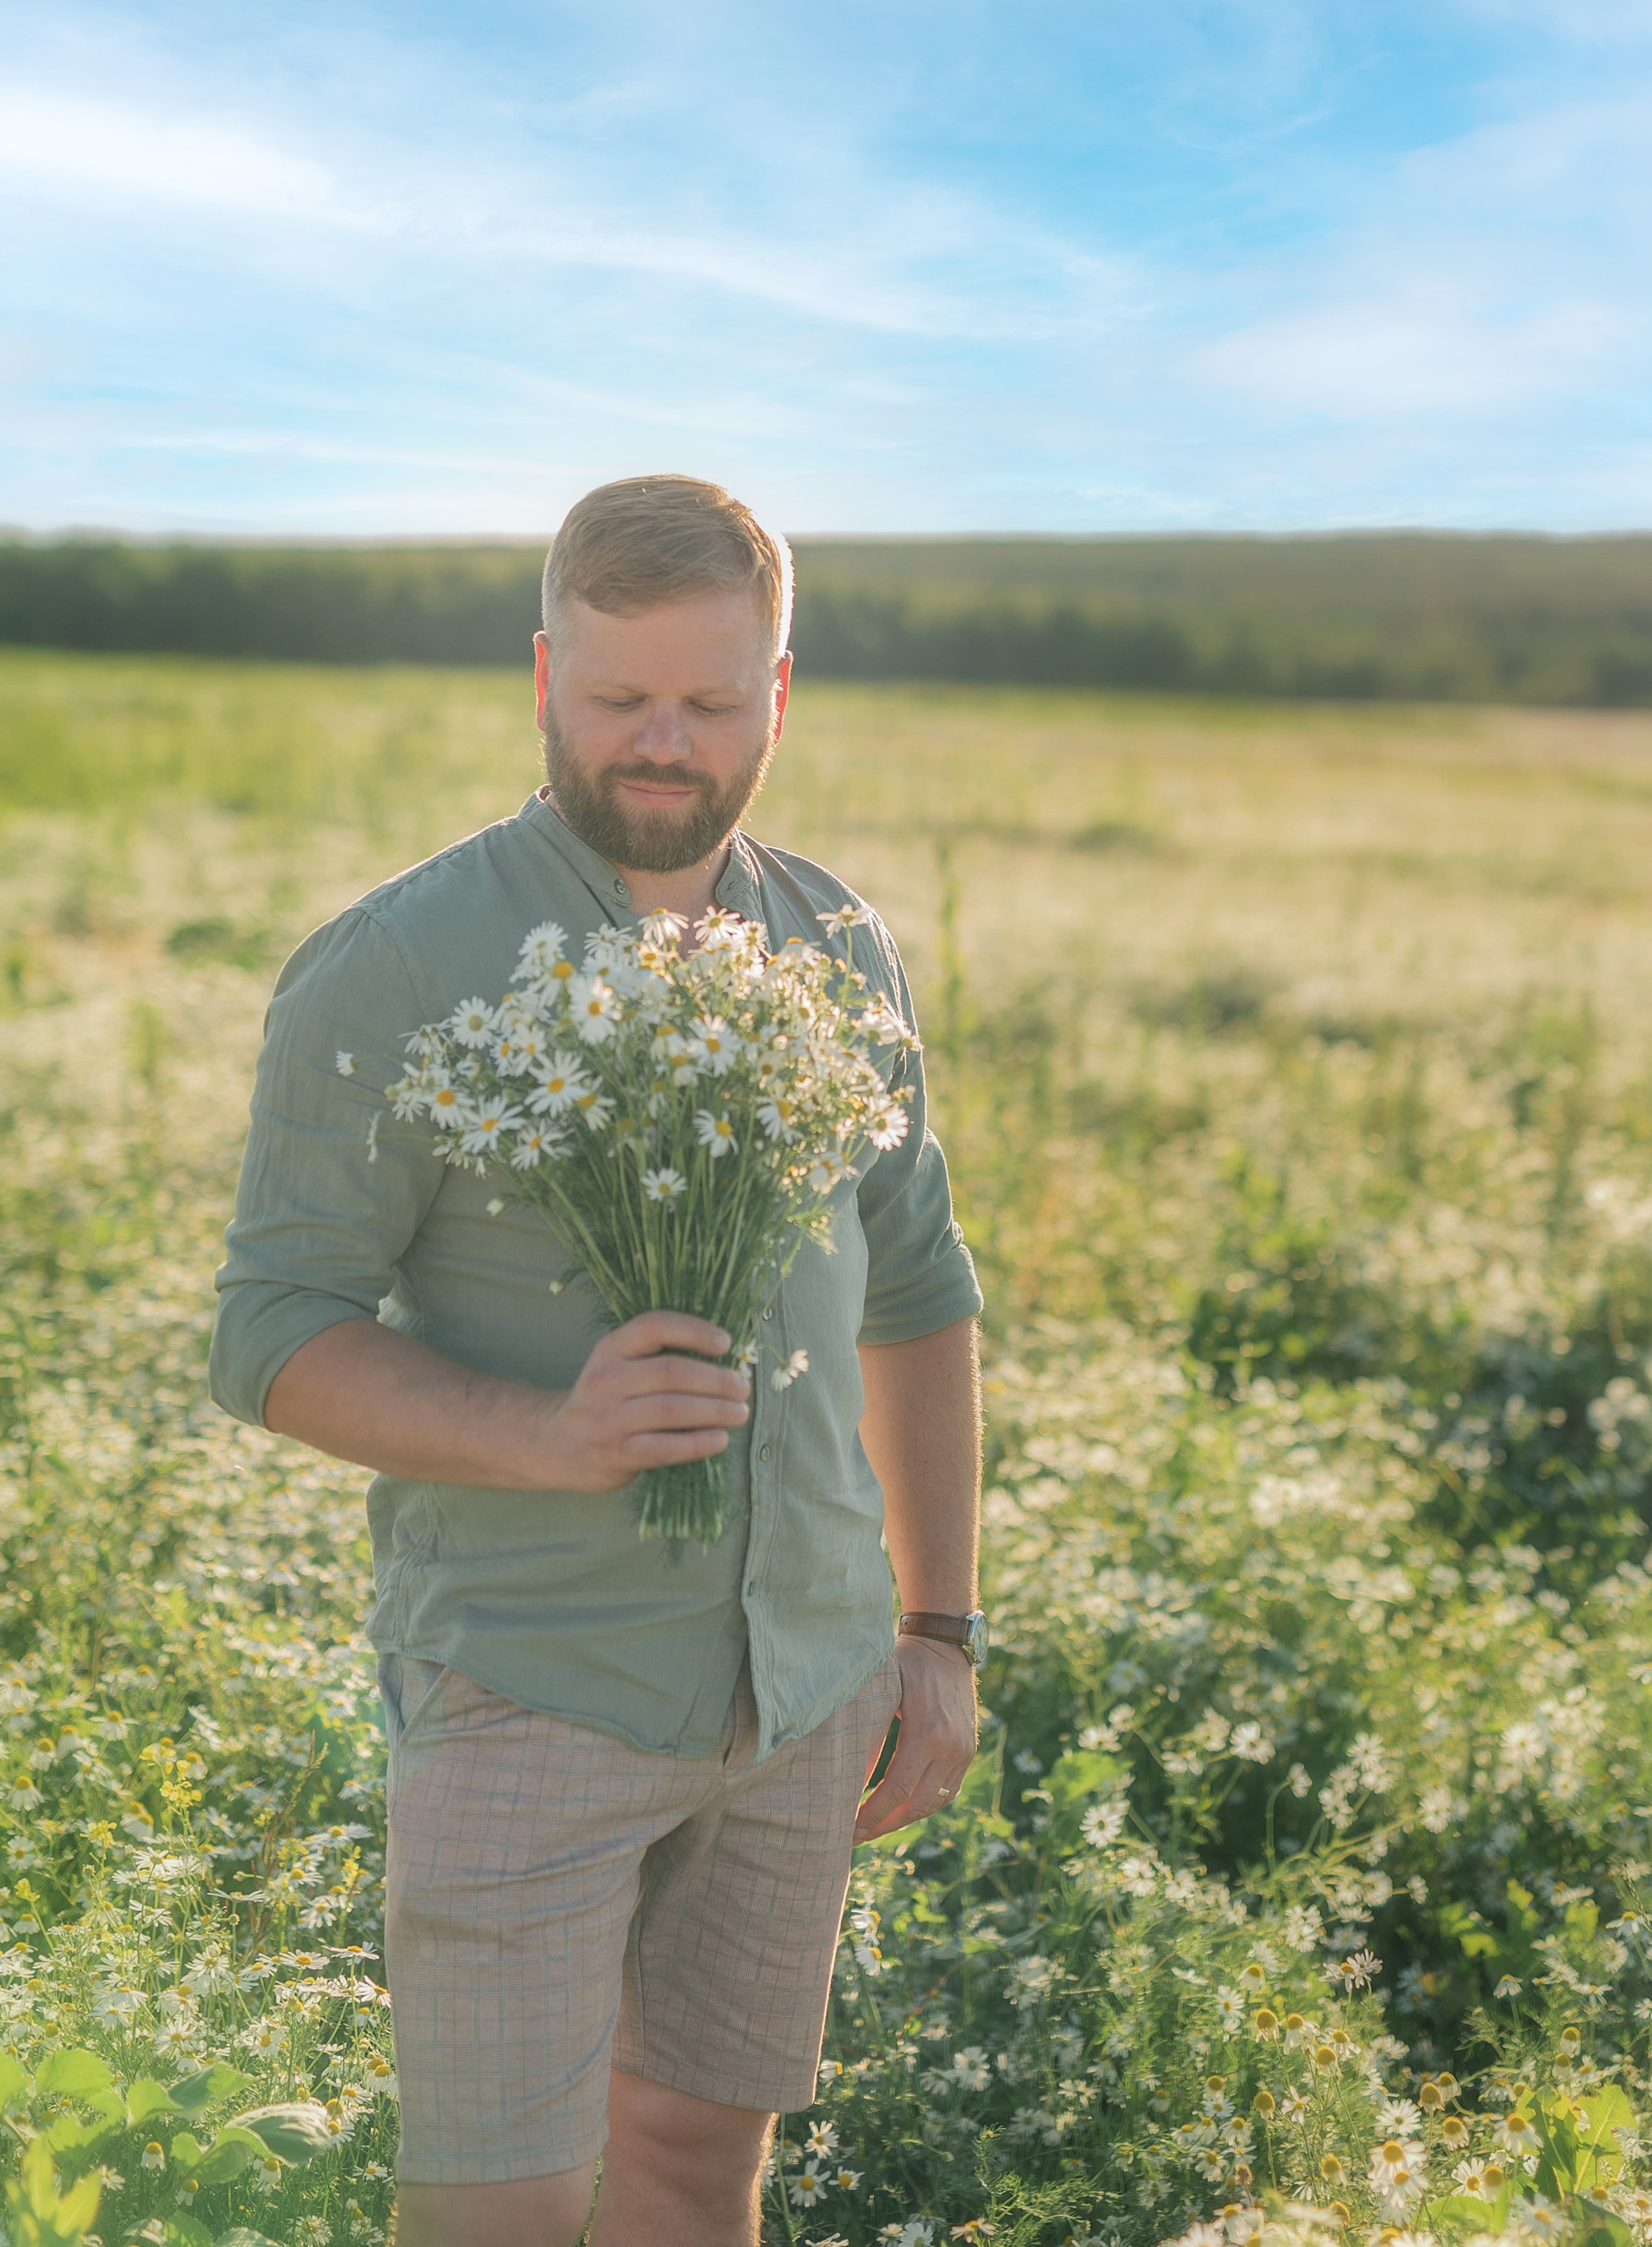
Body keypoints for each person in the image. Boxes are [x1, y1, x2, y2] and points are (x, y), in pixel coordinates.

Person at [209, 476, 985, 2247]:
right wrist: (550, 1433)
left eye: (710, 703)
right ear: (542, 673)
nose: (661, 743)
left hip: (802, 1693)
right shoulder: (398, 963)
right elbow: (271, 1333)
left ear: (776, 697)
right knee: (498, 2208)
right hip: (524, 1691)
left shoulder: (834, 947)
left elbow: (919, 1292)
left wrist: (931, 1633)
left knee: (702, 2165)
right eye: (618, 695)